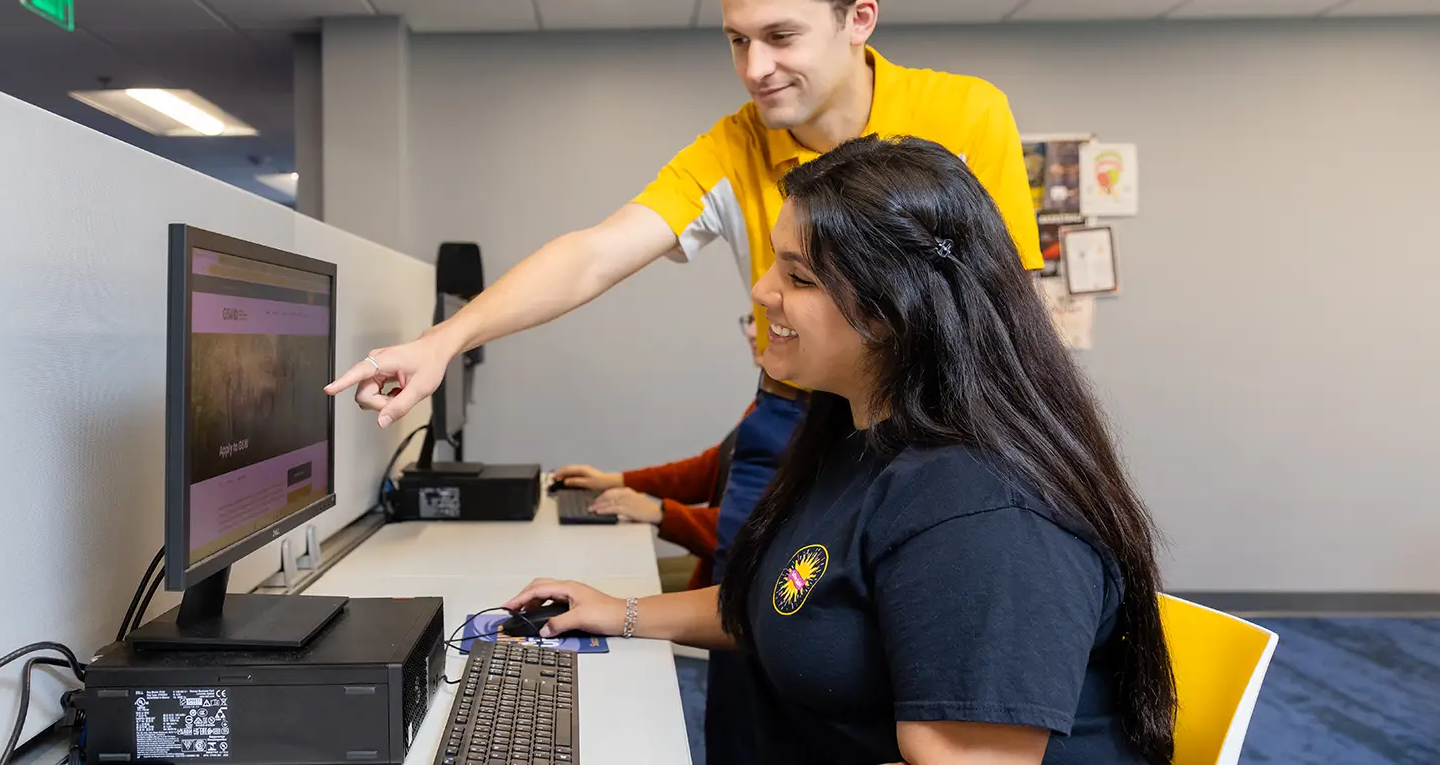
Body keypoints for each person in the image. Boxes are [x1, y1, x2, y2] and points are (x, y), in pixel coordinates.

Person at [327, 0, 1045, 765]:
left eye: (781, 37)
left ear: (860, 18)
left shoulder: (964, 116)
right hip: (803, 411)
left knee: (909, 666)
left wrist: (1001, 456)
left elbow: (1011, 310)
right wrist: (445, 340)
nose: (755, 68)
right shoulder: (740, 141)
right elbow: (596, 252)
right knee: (765, 648)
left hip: (941, 416)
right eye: (738, 40)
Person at [504, 137, 1177, 765]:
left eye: (797, 277)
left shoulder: (984, 513)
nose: (763, 291)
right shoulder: (858, 442)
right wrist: (616, 611)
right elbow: (792, 598)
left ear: (893, 311)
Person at [552, 312, 762, 592]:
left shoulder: (798, 419)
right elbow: (713, 466)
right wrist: (616, 480)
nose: (751, 331)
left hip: (733, 594)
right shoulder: (771, 402)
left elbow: (752, 533)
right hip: (713, 575)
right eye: (751, 318)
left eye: (763, 318)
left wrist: (660, 513)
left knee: (610, 591)